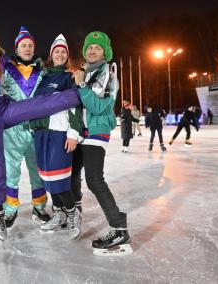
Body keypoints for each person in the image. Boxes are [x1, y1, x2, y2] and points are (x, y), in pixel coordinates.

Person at [0, 23, 80, 241]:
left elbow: (44, 73)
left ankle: (79, 94)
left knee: (39, 104)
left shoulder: (1, 62)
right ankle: (0, 210)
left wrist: (76, 79)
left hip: (6, 109)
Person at [72, 31, 132, 255]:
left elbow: (97, 107)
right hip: (82, 131)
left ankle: (119, 228)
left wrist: (80, 86)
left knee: (95, 180)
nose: (92, 51)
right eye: (89, 47)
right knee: (72, 174)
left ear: (105, 52)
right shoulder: (88, 73)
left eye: (97, 48)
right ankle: (73, 214)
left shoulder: (107, 73)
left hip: (96, 130)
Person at [30, 34, 83, 238]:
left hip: (60, 133)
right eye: (56, 51)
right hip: (41, 133)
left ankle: (72, 214)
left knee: (59, 179)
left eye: (63, 52)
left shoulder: (69, 77)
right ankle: (58, 214)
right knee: (47, 179)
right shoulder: (42, 77)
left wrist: (73, 133)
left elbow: (75, 106)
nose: (60, 54)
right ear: (51, 55)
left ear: (67, 56)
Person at [2, 26, 50, 227]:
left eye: (31, 45)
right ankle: (10, 209)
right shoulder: (6, 70)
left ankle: (39, 208)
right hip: (12, 130)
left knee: (37, 171)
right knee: (11, 171)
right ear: (17, 48)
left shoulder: (42, 71)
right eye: (24, 46)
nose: (28, 49)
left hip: (36, 129)